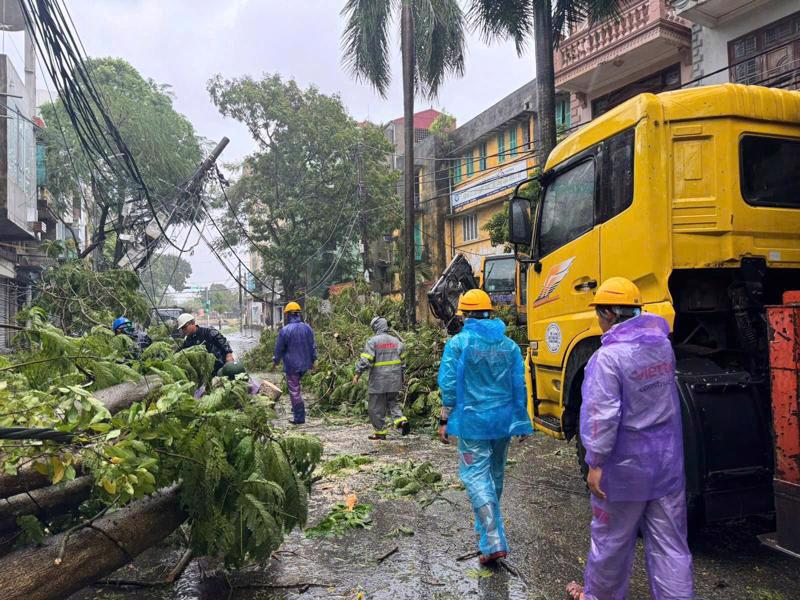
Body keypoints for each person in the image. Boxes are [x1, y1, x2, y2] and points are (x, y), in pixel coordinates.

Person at [566, 277, 693, 600]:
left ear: (609, 314)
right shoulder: (662, 347)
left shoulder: (607, 359)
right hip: (666, 467)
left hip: (623, 472)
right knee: (671, 546)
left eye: (599, 312)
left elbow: (602, 416)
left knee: (611, 543)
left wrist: (595, 462)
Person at [437, 289, 532, 565]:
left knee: (476, 477)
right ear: (490, 313)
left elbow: (449, 385)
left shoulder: (458, 345)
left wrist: (444, 419)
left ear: (465, 315)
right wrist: (521, 421)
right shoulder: (510, 346)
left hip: (472, 424)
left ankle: (492, 542)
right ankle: (488, 540)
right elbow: (519, 386)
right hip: (501, 424)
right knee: (495, 477)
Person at [353, 316, 410, 440]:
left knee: (375, 407)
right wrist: (402, 376)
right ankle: (401, 421)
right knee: (393, 402)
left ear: (375, 327)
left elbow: (365, 360)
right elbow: (403, 361)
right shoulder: (396, 342)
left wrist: (357, 373)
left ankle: (380, 432)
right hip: (395, 379)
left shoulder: (372, 341)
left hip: (378, 380)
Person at [272, 302, 317, 425]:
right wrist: (313, 361)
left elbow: (279, 349)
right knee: (297, 389)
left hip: (292, 366)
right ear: (298, 314)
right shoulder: (308, 328)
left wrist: (275, 362)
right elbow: (313, 346)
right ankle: (297, 408)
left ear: (287, 315)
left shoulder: (285, 330)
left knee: (294, 390)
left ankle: (299, 417)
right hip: (305, 365)